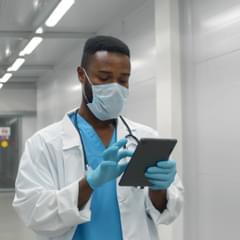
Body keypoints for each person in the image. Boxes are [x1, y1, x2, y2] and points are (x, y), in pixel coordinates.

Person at [13, 36, 184, 240]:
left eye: (123, 80)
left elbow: (168, 213)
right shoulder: (44, 144)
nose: (115, 87)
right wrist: (89, 183)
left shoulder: (144, 137)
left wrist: (160, 189)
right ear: (81, 75)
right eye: (104, 77)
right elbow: (32, 212)